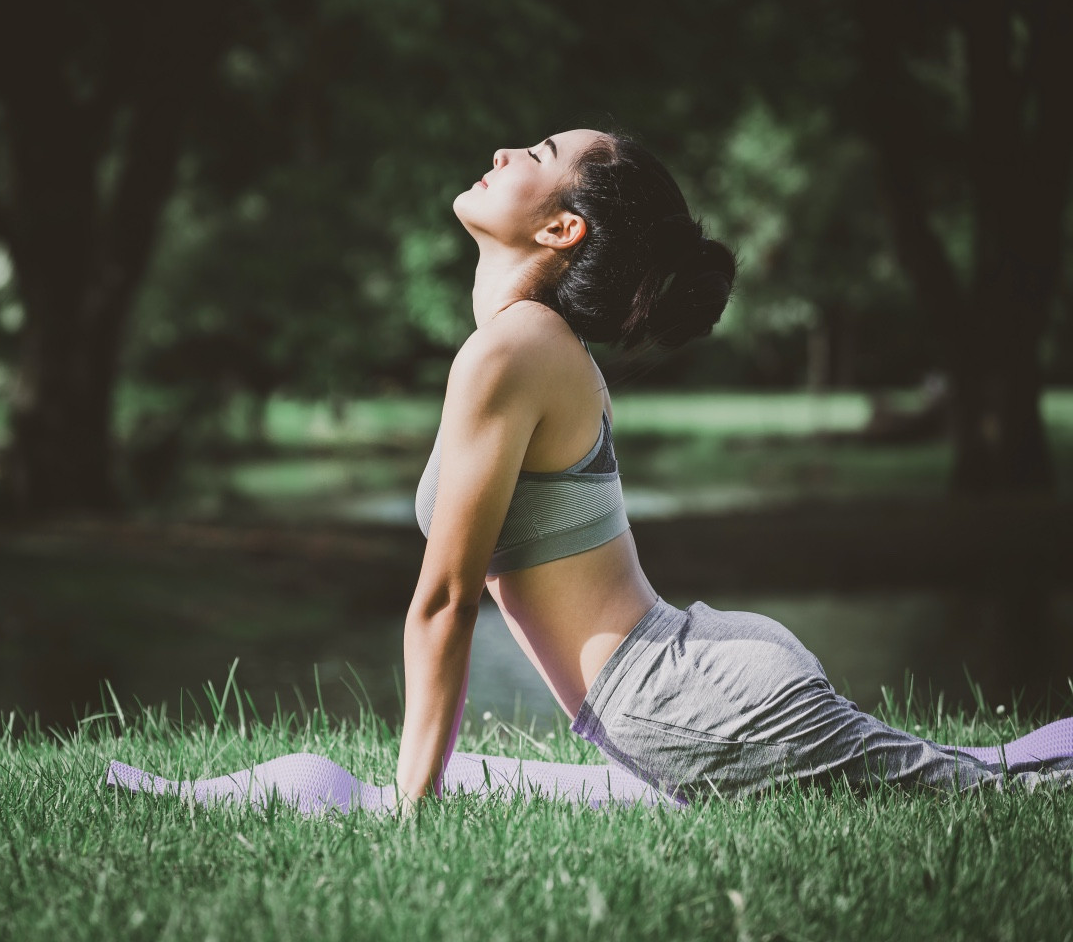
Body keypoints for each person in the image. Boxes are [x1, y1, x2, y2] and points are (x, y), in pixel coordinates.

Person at [393, 128, 1073, 811]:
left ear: (562, 227)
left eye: (538, 155)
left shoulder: (514, 350)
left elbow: (447, 602)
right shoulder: (527, 344)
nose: (502, 154)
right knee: (987, 775)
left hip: (687, 700)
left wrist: (410, 813)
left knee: (1003, 795)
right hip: (695, 681)